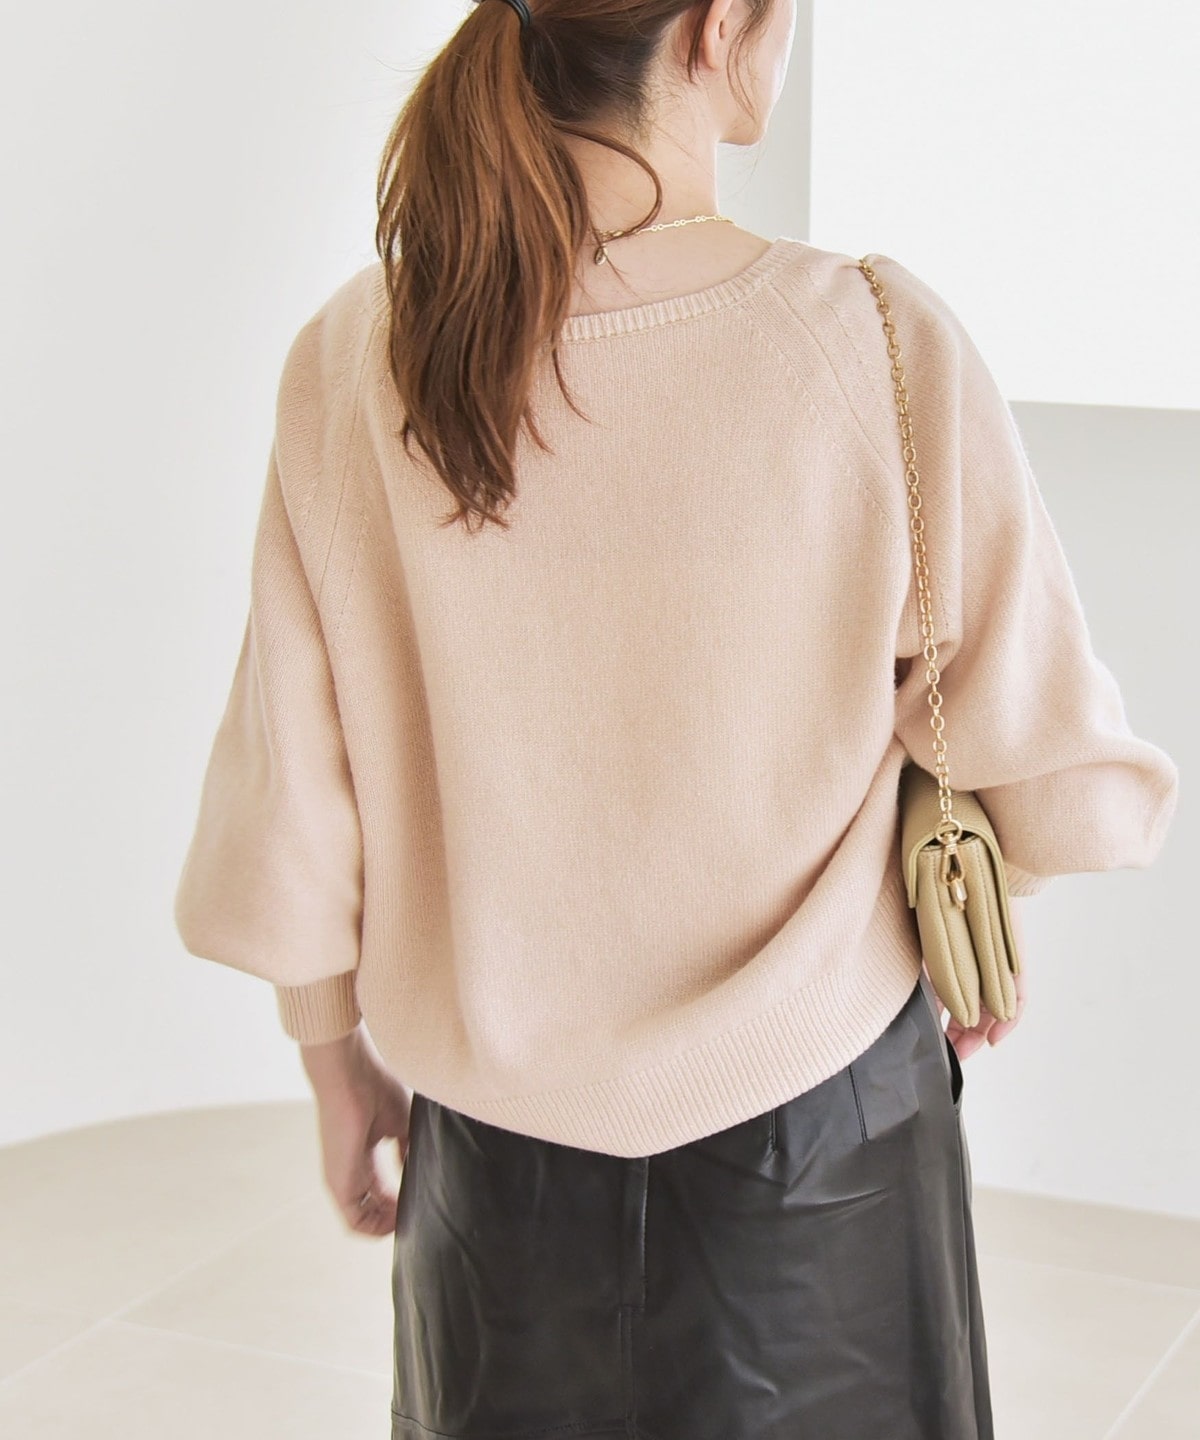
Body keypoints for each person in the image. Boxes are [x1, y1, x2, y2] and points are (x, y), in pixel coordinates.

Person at [172, 0, 1180, 1436]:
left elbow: (294, 800)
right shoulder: (877, 342)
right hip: (828, 1158)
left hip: (495, 1189)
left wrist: (333, 1062)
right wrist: (966, 891)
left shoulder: (357, 355)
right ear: (720, 27)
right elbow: (1059, 779)